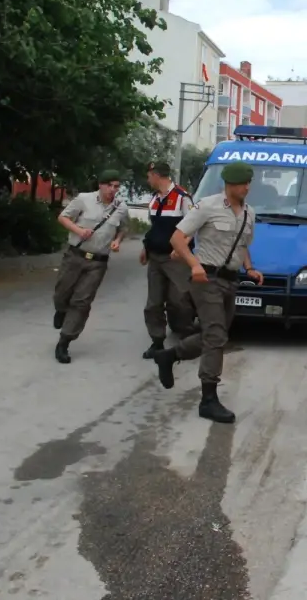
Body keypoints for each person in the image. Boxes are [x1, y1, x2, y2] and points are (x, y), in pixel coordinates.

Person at [151, 161, 261, 424]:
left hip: (230, 281)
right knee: (216, 336)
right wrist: (194, 264)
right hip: (206, 279)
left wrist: (249, 268)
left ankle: (170, 355)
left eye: (249, 183)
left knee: (215, 335)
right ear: (229, 184)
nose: (247, 188)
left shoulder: (249, 213)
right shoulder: (207, 206)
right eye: (242, 183)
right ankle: (208, 400)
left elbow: (242, 245)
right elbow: (177, 238)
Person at [52, 170, 129, 364]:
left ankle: (64, 341)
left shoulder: (121, 207)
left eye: (116, 186)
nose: (113, 190)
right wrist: (78, 230)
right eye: (109, 185)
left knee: (82, 301)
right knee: (62, 292)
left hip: (98, 262)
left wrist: (117, 240)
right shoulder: (83, 199)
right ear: (101, 185)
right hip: (75, 256)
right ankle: (61, 309)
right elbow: (63, 217)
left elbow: (123, 228)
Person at [140, 162, 197, 359]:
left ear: (156, 175)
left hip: (175, 259)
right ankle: (157, 342)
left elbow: (193, 226)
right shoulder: (155, 199)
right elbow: (155, 228)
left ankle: (188, 339)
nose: (148, 179)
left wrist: (181, 247)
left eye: (149, 175)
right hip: (155, 257)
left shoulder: (182, 197)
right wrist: (145, 247)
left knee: (179, 300)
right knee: (153, 303)